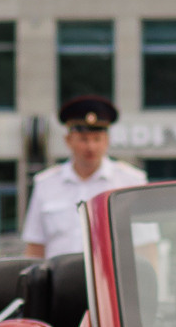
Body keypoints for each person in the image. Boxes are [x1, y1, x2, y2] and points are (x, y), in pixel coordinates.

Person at [22, 95, 148, 259]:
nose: (91, 147)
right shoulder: (46, 184)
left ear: (107, 141)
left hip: (110, 282)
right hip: (58, 282)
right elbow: (35, 247)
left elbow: (145, 245)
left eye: (97, 139)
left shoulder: (131, 182)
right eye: (83, 139)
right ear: (68, 140)